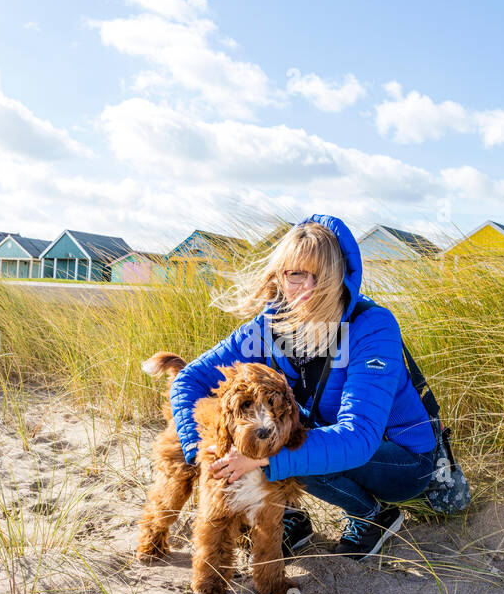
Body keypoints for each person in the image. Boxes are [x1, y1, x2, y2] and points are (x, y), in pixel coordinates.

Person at [169, 214, 437, 560]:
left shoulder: (372, 326)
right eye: (296, 274)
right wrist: (198, 451)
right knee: (282, 432)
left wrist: (261, 459)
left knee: (290, 442)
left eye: (321, 275)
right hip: (332, 437)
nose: (308, 288)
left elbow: (359, 437)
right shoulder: (270, 324)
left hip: (402, 460)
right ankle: (290, 515)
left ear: (341, 276)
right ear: (280, 276)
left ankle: (372, 516)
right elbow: (189, 380)